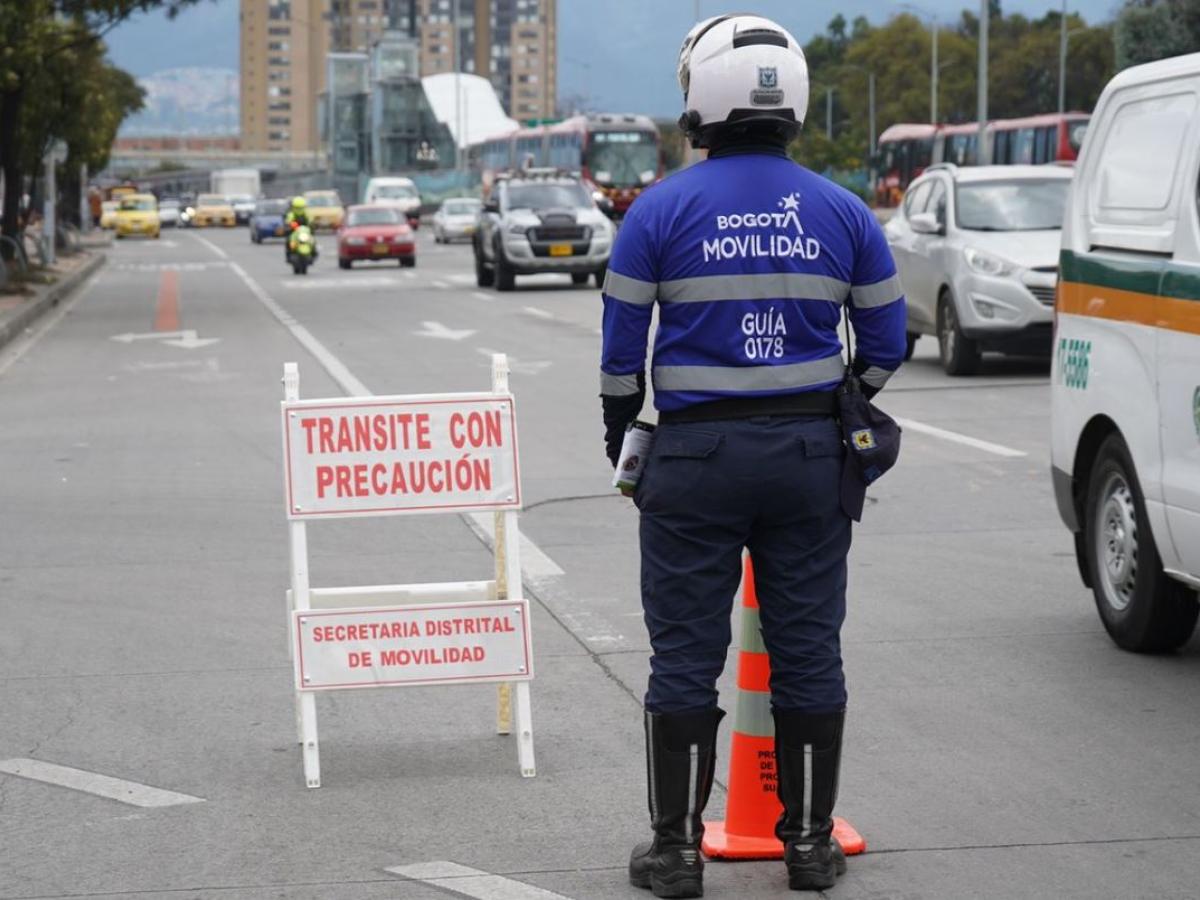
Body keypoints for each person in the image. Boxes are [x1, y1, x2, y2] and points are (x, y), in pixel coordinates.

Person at [600, 14, 907, 897]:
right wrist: (842, 400)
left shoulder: (656, 209)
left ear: (700, 98)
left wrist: (624, 442)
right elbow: (887, 340)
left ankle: (676, 853)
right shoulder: (844, 209)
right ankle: (809, 847)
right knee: (810, 649)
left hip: (694, 459)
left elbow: (622, 358)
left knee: (683, 656)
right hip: (812, 456)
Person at [284, 196, 311, 261]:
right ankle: (289, 254)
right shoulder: (291, 214)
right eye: (297, 208)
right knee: (289, 241)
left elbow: (310, 221)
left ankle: (313, 252)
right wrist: (291, 225)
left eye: (301, 208)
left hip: (304, 232)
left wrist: (312, 226)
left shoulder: (306, 213)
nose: (299, 209)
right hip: (295, 232)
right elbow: (288, 221)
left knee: (312, 240)